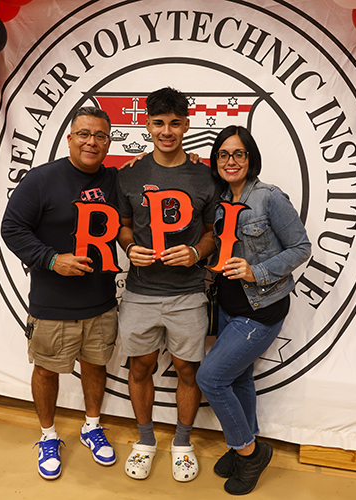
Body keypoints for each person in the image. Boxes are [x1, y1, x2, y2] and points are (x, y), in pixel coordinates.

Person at [1, 107, 119, 480]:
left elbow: (156, 171)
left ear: (108, 142)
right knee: (47, 370)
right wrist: (52, 260)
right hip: (52, 303)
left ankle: (92, 426)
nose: (92, 142)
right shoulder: (42, 180)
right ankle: (48, 435)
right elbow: (12, 228)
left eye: (100, 136)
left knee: (95, 366)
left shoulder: (116, 180)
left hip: (100, 300)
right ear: (70, 138)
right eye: (84, 134)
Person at [196, 125, 311, 495]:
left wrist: (256, 271)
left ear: (251, 158)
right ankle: (241, 443)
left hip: (261, 308)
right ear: (217, 161)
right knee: (239, 379)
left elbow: (300, 247)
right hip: (228, 307)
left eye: (239, 154)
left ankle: (251, 452)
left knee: (211, 378)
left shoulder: (269, 198)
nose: (231, 161)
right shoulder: (219, 199)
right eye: (224, 155)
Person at [116, 87, 221, 482]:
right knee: (140, 367)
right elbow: (124, 226)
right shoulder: (129, 174)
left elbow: (212, 231)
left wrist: (196, 253)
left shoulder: (204, 174)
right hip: (140, 293)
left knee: (186, 371)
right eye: (159, 123)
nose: (167, 131)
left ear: (186, 125)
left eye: (175, 123)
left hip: (188, 294)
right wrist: (128, 247)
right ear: (146, 125)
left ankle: (182, 442)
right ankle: (145, 441)